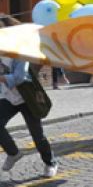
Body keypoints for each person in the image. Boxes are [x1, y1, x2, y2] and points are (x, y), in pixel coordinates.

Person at [0, 14, 58, 178]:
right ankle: (13, 153)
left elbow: (20, 77)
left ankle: (50, 163)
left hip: (27, 98)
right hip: (8, 98)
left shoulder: (20, 52)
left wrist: (2, 78)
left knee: (37, 135)